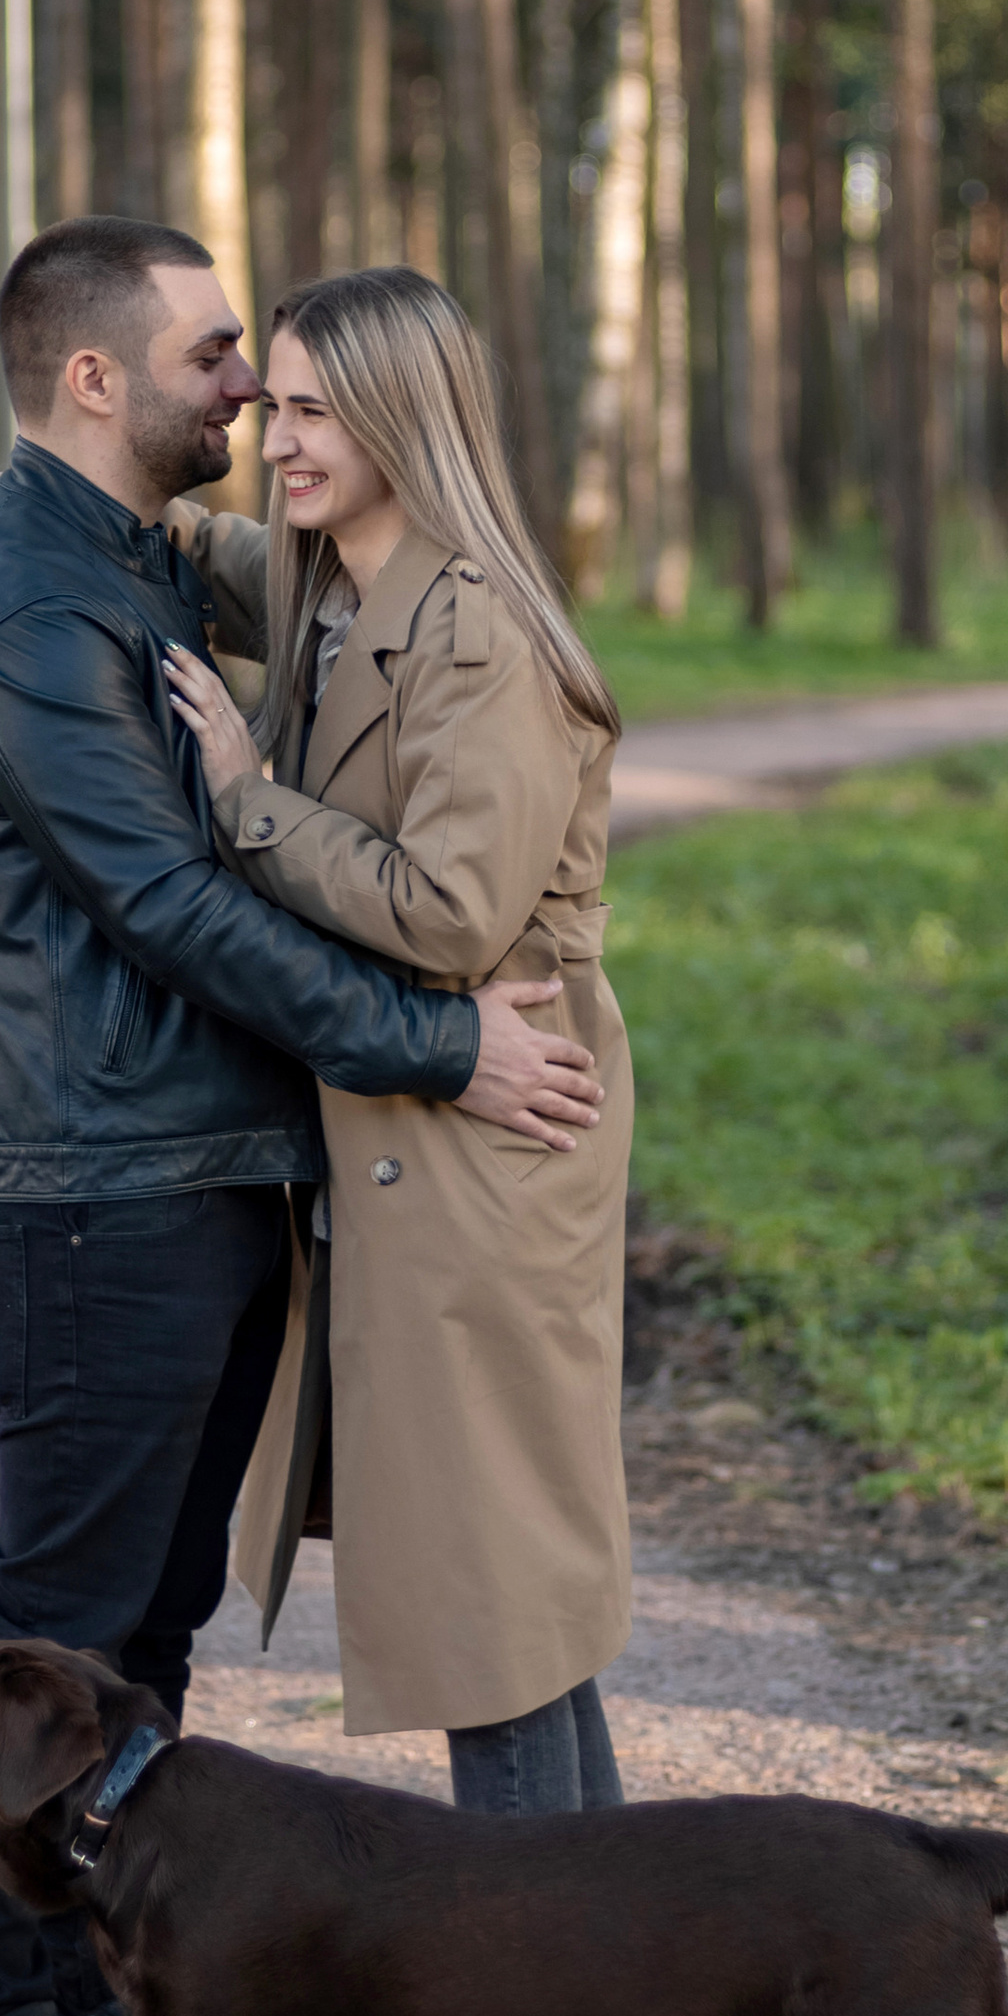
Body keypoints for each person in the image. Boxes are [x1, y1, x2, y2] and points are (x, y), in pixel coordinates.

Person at [0, 216, 603, 2016]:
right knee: (54, 1610)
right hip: (93, 1188)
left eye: (272, 375)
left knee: (138, 1632)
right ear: (94, 379)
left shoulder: (105, 559)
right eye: (219, 359)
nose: (245, 395)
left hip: (192, 1169)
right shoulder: (37, 616)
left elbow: (273, 587)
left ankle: (71, 1998)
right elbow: (176, 900)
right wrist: (439, 1044)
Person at [159, 263, 635, 1815]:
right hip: (434, 1138)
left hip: (494, 1144)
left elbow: (445, 910)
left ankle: (542, 2007)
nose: (273, 438)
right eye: (273, 402)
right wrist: (33, 501)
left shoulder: (476, 628)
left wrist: (244, 793)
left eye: (310, 412)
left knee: (486, 1609)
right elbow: (226, 557)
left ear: (397, 421)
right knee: (505, 1608)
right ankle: (602, 1982)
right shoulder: (351, 579)